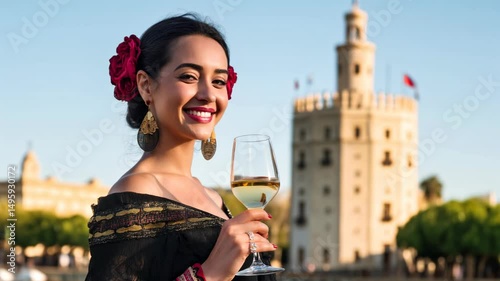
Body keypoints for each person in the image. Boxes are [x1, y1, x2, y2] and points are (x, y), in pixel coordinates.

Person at [85, 14, 278, 281]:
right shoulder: (133, 196)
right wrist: (210, 274)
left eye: (218, 81)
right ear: (145, 86)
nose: (208, 94)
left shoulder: (213, 198)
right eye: (189, 76)